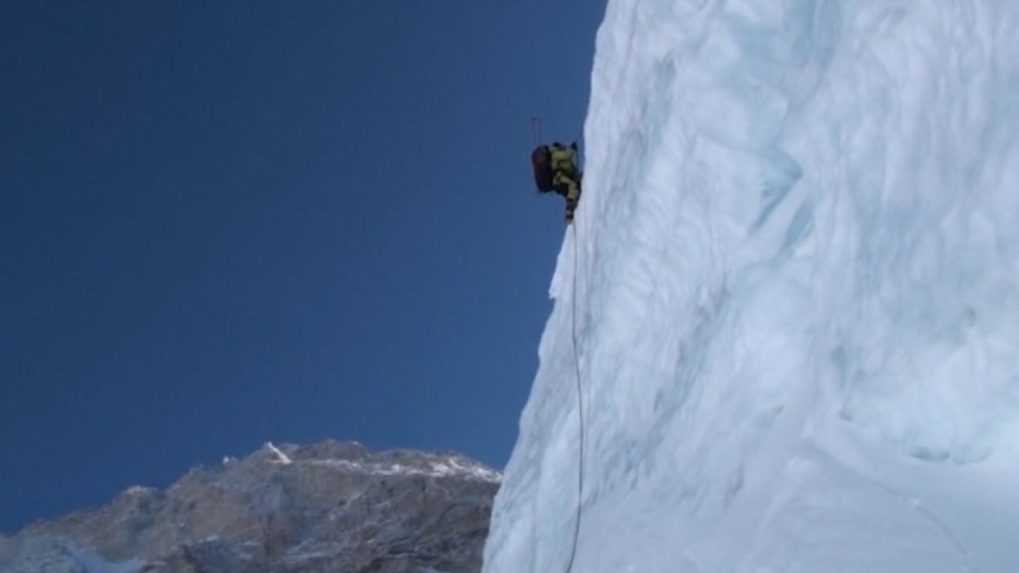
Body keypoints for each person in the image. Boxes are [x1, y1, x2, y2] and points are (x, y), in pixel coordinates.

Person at [531, 141, 582, 223]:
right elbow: (567, 155)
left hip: (555, 184)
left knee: (568, 192)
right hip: (560, 179)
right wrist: (572, 148)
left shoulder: (549, 158)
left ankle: (570, 210)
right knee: (573, 187)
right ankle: (569, 212)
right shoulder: (554, 153)